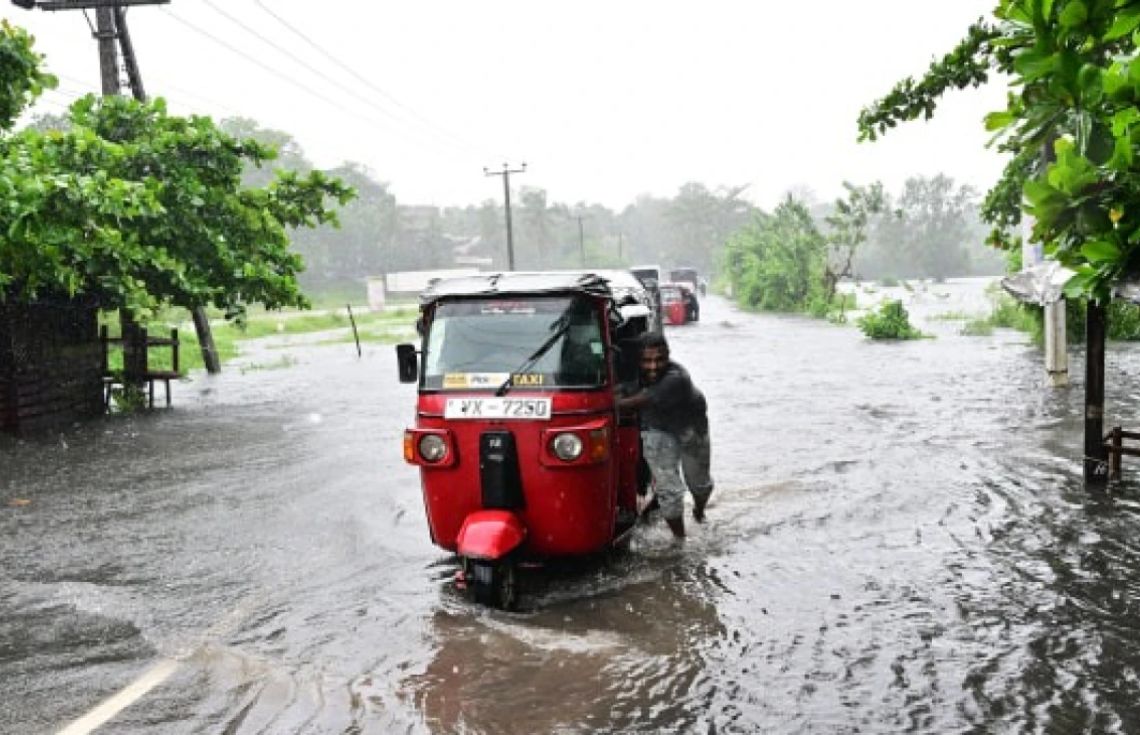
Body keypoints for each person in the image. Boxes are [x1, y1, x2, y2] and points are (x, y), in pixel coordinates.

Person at [617, 332, 713, 538]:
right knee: (668, 490)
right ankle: (680, 540)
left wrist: (599, 401)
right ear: (638, 360)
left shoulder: (677, 378)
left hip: (690, 426)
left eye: (659, 359)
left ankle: (699, 511)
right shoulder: (630, 375)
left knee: (699, 484)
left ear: (668, 356)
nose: (653, 366)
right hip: (656, 426)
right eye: (647, 361)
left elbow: (629, 404)